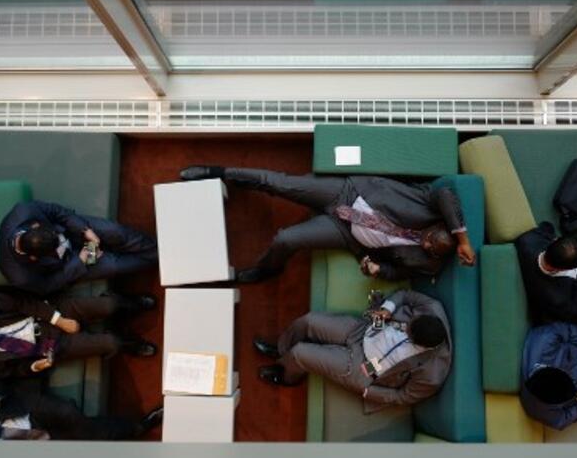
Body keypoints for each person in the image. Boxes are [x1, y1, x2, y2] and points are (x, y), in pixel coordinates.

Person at [179, 165, 474, 283]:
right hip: (350, 193)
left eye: (428, 249)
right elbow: (447, 194)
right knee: (278, 183)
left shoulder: (430, 263)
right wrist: (463, 240)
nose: (423, 244)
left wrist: (377, 270)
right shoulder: (430, 204)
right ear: (439, 226)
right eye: (428, 238)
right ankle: (217, 171)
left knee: (286, 239)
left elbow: (397, 272)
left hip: (348, 234)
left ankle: (266, 270)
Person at [253, 289, 452, 413]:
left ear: (418, 343)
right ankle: (281, 350)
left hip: (365, 367)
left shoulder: (432, 374)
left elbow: (404, 396)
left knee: (300, 353)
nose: (404, 327)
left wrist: (368, 391)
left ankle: (288, 377)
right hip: (364, 330)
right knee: (308, 321)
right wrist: (388, 309)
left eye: (407, 331)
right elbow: (406, 295)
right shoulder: (432, 308)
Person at [0, 291, 157, 384]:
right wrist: (34, 367)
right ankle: (128, 342)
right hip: (47, 347)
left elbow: (20, 302)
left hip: (48, 315)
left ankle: (131, 302)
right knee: (111, 343)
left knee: (108, 306)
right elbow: (14, 372)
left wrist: (59, 321)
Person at [0, 200, 158, 295]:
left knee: (116, 232)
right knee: (114, 265)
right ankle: (163, 259)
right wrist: (81, 260)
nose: (60, 242)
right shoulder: (20, 276)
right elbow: (49, 285)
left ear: (35, 225)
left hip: (73, 231)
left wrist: (86, 231)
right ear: (34, 258)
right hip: (70, 262)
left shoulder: (24, 210)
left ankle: (164, 252)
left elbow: (58, 212)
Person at [0, 383, 163, 441]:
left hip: (28, 411)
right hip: (37, 442)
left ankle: (139, 426)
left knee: (71, 417)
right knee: (88, 437)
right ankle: (138, 427)